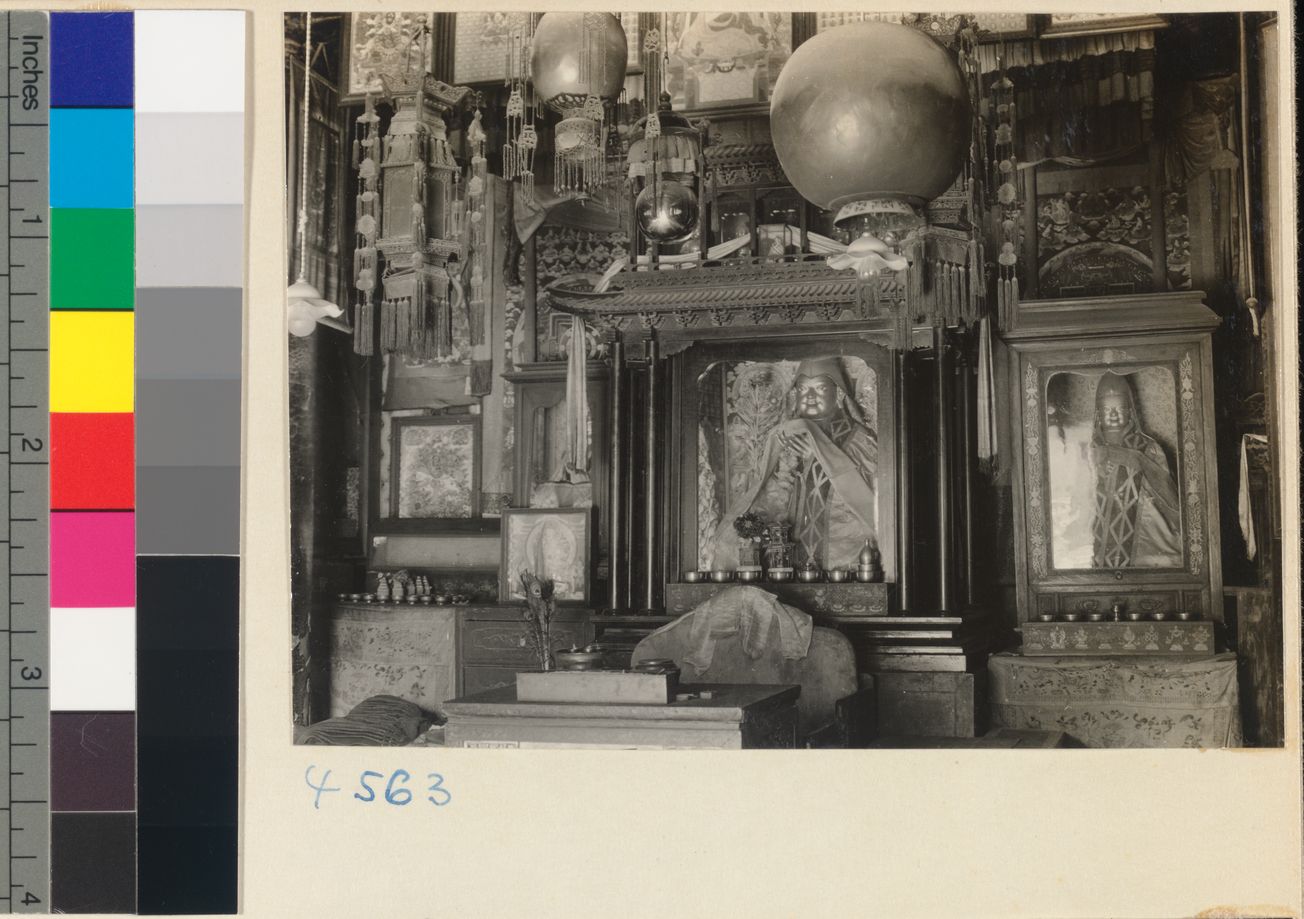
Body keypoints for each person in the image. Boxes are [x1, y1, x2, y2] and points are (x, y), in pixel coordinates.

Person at [711, 357, 878, 569]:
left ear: (838, 394)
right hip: (789, 555)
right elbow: (769, 499)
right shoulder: (785, 436)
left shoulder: (859, 440)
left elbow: (869, 504)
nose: (810, 396)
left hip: (842, 551)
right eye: (803, 389)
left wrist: (821, 459)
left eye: (820, 389)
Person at [1089, 371, 1183, 568]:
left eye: (1119, 408)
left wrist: (1136, 462)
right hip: (1099, 541)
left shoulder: (1148, 447)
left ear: (1130, 411)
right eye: (1106, 409)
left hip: (1142, 545)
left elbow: (1166, 494)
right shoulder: (1090, 448)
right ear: (1098, 413)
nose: (1113, 415)